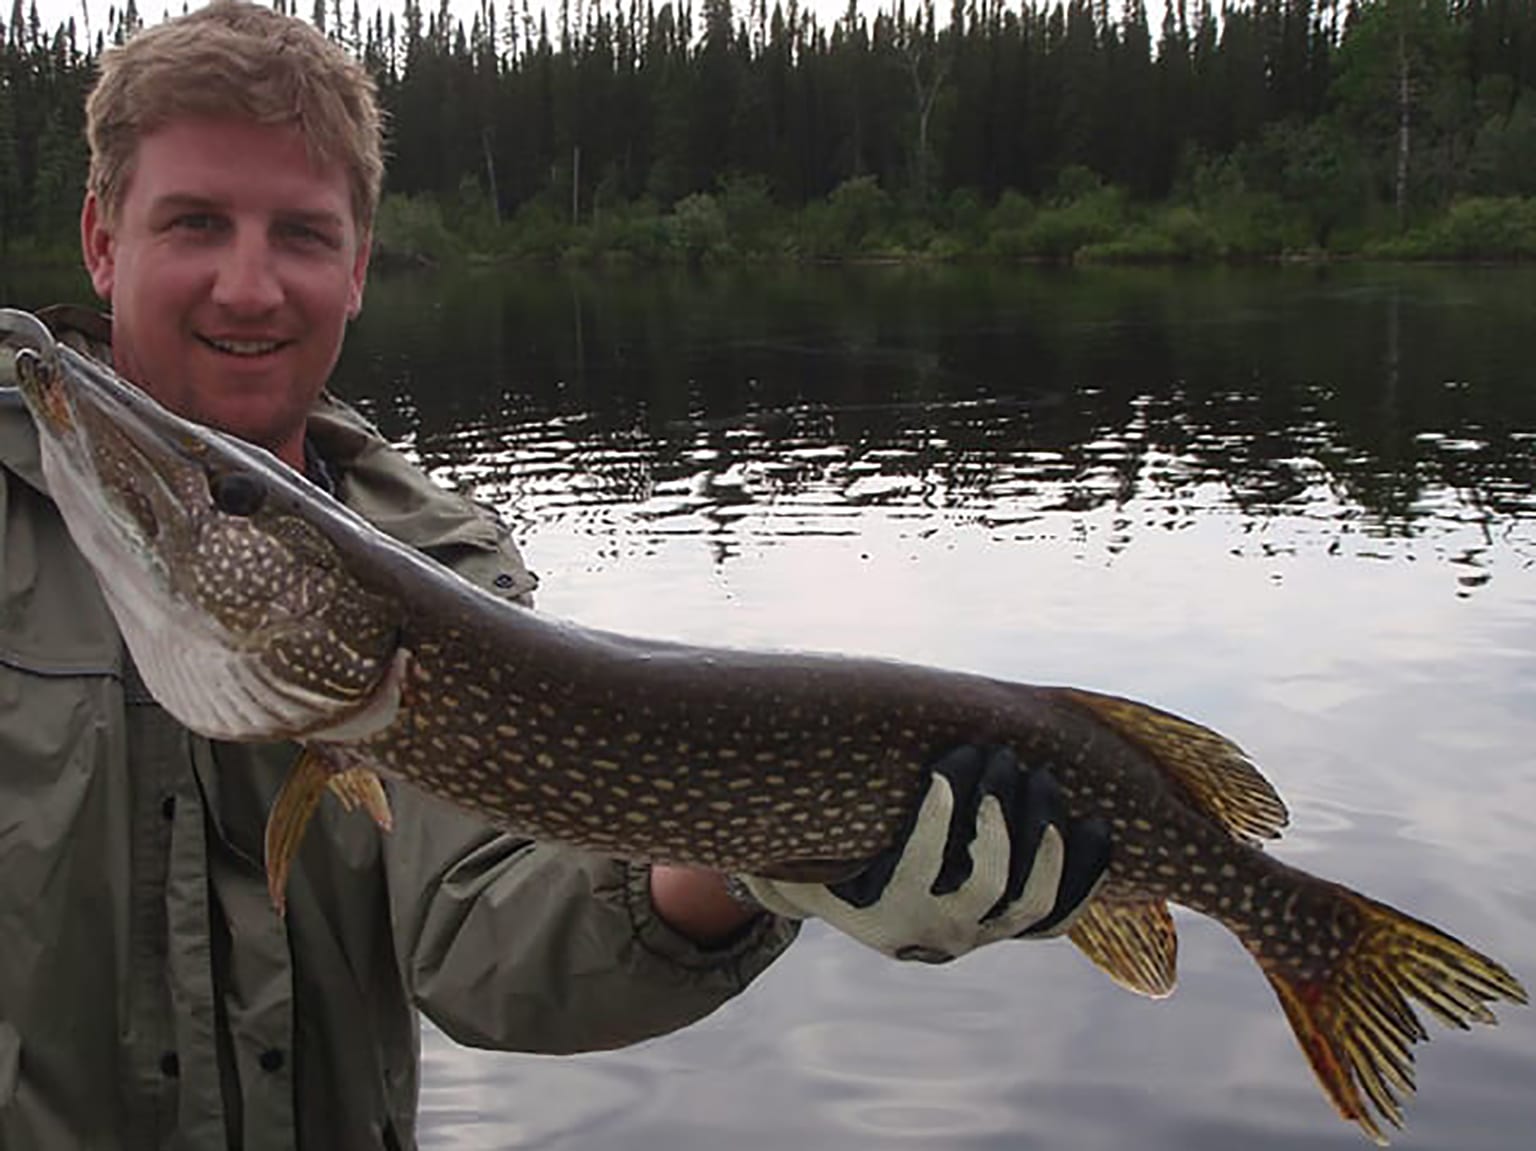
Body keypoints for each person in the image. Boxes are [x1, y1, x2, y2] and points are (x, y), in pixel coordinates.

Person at [0, 4, 1110, 1149]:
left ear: (358, 267)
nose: (249, 286)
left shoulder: (443, 573)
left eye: (301, 234)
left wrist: (754, 865)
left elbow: (481, 941)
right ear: (101, 238)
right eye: (194, 223)